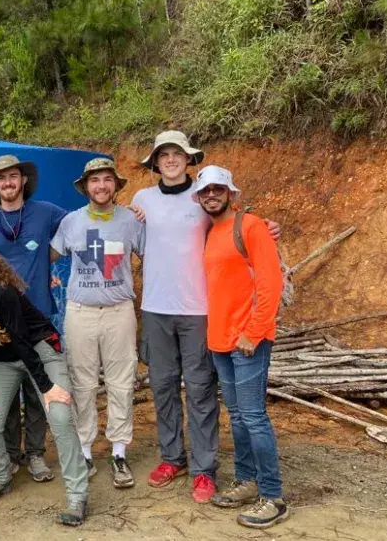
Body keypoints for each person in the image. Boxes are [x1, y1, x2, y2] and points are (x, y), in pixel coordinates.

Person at [129, 131, 281, 503]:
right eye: (163, 154)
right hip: (155, 308)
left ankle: (204, 469)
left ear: (188, 158)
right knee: (163, 388)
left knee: (200, 392)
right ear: (155, 162)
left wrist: (269, 227)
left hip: (199, 311)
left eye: (177, 153)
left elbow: (235, 225)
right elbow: (127, 237)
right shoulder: (141, 199)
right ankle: (172, 458)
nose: (170, 159)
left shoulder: (203, 198)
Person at [0, 238, 90, 526]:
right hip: (1, 361)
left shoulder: (2, 292)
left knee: (61, 415)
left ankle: (77, 494)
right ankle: (2, 475)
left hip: (38, 351)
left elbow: (21, 340)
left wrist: (47, 386)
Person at [193, 166, 287, 528]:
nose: (211, 195)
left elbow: (270, 282)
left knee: (254, 417)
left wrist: (255, 330)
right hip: (220, 341)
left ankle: (273, 496)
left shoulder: (250, 226)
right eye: (205, 191)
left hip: (247, 341)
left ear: (231, 193)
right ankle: (247, 482)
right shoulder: (211, 231)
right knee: (238, 416)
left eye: (218, 189)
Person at [49, 158, 144, 489]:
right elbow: (46, 256)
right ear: (85, 186)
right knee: (82, 383)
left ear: (115, 185)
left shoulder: (132, 220)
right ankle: (86, 450)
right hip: (80, 312)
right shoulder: (71, 222)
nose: (101, 186)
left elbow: (155, 252)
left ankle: (119, 452)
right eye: (95, 180)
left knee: (121, 381)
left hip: (119, 311)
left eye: (107, 180)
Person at [0, 155, 60, 483]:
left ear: (23, 180)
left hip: (38, 315)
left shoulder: (48, 212)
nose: (8, 183)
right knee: (6, 392)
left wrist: (50, 262)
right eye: (1, 178)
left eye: (13, 176)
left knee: (39, 387)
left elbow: (82, 225)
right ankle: (11, 453)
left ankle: (36, 454)